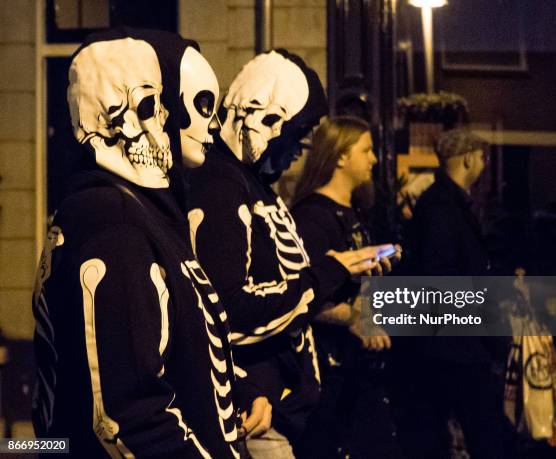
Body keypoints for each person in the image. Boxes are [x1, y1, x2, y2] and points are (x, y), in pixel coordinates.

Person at [31, 29, 246, 458]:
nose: (213, 125)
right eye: (200, 106)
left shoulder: (144, 216)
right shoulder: (115, 224)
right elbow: (127, 414)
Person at [187, 51, 392, 458]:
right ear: (266, 118)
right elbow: (227, 309)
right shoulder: (222, 188)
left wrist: (334, 271)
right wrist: (327, 274)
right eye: (298, 131)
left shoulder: (255, 186)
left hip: (284, 405)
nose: (302, 146)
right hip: (259, 410)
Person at [396, 128, 513, 458]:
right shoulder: (442, 208)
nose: (485, 164)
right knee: (484, 432)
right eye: (482, 157)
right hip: (454, 347)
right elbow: (441, 279)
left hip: (453, 344)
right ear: (468, 159)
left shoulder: (445, 204)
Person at [291, 116, 402, 458]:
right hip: (330, 378)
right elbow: (301, 297)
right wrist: (353, 319)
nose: (374, 159)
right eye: (366, 150)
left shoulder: (354, 213)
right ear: (340, 156)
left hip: (358, 373)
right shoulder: (312, 218)